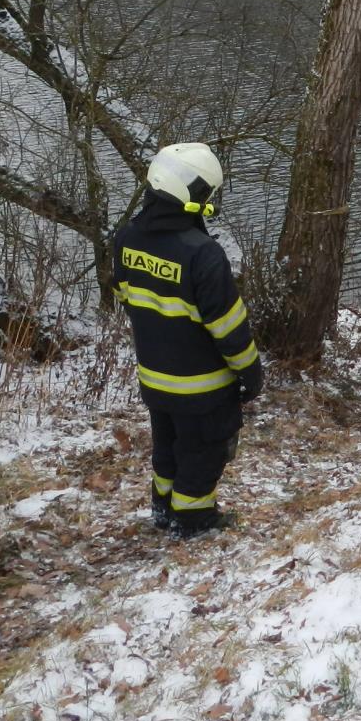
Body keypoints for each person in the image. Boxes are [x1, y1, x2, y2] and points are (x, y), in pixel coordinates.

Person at [111, 143, 263, 538]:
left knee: (168, 446)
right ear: (193, 195)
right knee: (205, 450)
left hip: (155, 377)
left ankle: (163, 508)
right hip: (203, 385)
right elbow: (228, 326)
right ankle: (193, 519)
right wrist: (250, 372)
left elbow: (127, 298)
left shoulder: (126, 239)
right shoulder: (203, 254)